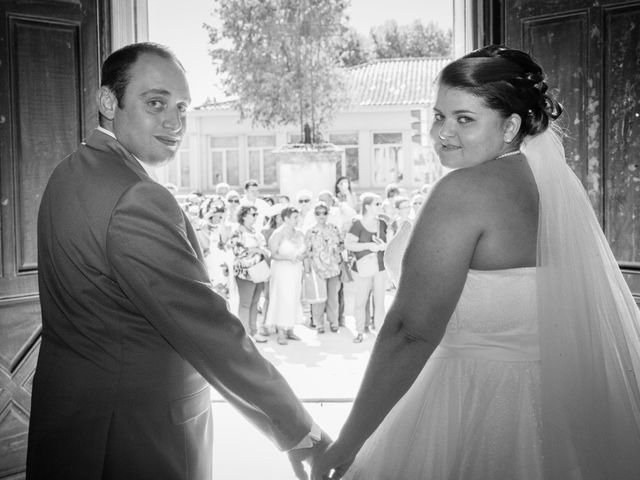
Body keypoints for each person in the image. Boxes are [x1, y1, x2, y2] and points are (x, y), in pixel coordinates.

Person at [311, 45, 640, 480]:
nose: (442, 133)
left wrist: (349, 441)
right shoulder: (550, 186)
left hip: (468, 402)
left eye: (464, 118)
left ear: (510, 126)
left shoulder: (463, 192)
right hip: (556, 407)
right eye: (439, 115)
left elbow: (411, 331)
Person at [27, 42, 330, 480]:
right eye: (156, 103)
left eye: (183, 107)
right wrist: (299, 430)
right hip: (133, 434)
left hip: (70, 419)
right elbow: (209, 331)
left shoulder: (66, 172)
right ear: (108, 102)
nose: (175, 122)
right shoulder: (139, 197)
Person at [344, 193, 387, 343]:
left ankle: (380, 332)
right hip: (362, 268)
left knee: (380, 302)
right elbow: (349, 244)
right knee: (360, 301)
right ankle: (360, 331)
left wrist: (383, 246)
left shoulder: (382, 223)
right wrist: (369, 246)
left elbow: (390, 242)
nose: (379, 206)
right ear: (367, 206)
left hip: (380, 267)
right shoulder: (357, 224)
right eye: (377, 204)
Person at [228, 205, 270, 343]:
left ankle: (254, 330)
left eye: (256, 214)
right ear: (244, 215)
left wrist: (257, 250)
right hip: (245, 273)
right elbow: (238, 251)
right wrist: (256, 250)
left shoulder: (256, 232)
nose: (255, 217)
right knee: (246, 303)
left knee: (255, 301)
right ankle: (244, 334)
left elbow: (265, 250)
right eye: (253, 214)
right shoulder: (237, 232)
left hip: (259, 270)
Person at [266, 206, 307, 345]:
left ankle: (290, 329)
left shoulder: (300, 233)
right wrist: (288, 258)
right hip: (282, 270)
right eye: (294, 217)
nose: (297, 220)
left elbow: (304, 250)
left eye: (298, 217)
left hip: (296, 270)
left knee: (294, 297)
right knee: (282, 297)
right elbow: (273, 254)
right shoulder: (278, 234)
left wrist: (302, 256)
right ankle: (281, 331)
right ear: (286, 219)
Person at [304, 202, 343, 334]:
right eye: (318, 213)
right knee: (319, 297)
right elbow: (307, 251)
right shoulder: (310, 231)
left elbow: (342, 244)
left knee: (333, 296)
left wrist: (337, 253)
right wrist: (308, 268)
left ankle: (334, 321)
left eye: (324, 212)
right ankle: (318, 323)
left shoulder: (334, 228)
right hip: (318, 268)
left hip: (333, 267)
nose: (321, 215)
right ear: (314, 215)